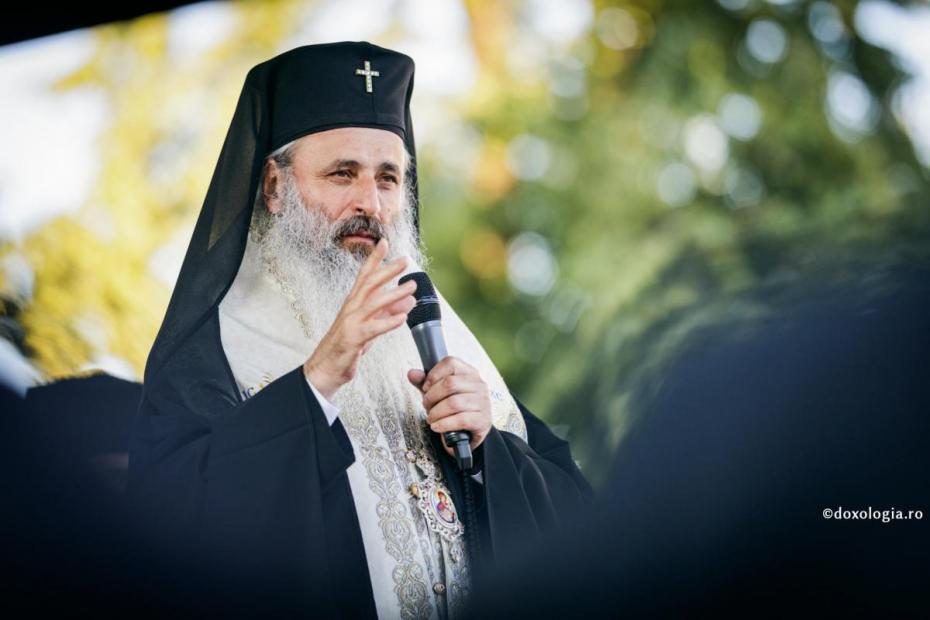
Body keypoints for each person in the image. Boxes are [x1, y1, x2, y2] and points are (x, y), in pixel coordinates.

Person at [126, 41, 591, 619]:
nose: (370, 203)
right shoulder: (216, 348)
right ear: (273, 186)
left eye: (388, 178)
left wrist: (489, 452)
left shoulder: (438, 334)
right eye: (342, 173)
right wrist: (315, 383)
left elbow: (583, 525)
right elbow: (172, 524)